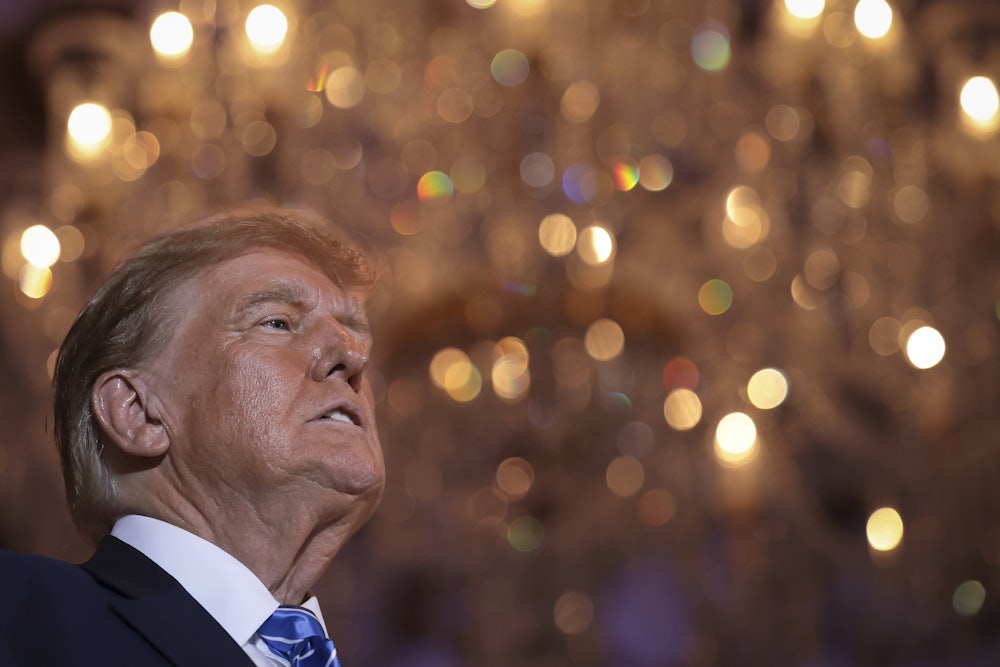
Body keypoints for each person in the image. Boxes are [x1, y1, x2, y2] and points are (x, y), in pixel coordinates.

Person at [0, 205, 385, 666]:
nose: (354, 354)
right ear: (137, 413)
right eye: (277, 323)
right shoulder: (19, 616)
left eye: (355, 332)